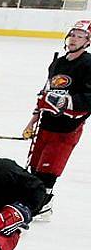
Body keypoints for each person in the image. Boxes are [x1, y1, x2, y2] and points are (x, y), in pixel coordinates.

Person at [23, 19, 91, 220]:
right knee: (34, 166)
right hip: (46, 124)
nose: (74, 39)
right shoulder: (58, 62)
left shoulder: (88, 65)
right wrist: (32, 121)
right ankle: (33, 200)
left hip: (67, 128)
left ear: (88, 41)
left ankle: (43, 205)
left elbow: (89, 99)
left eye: (80, 36)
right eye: (72, 35)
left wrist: (64, 102)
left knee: (49, 169)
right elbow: (45, 92)